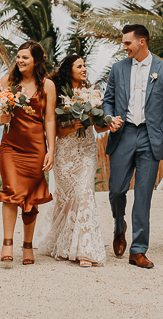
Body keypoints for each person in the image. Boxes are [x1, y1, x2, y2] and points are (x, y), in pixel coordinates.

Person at [103, 24, 163, 269]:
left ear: (142, 42)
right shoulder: (117, 69)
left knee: (143, 195)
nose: (124, 47)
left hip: (151, 137)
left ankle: (138, 250)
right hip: (123, 134)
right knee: (116, 190)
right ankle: (119, 226)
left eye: (128, 43)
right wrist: (109, 118)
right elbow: (107, 101)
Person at [36, 54, 108, 267]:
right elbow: (54, 129)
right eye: (79, 66)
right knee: (66, 198)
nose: (84, 69)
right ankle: (62, 241)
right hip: (65, 152)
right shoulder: (57, 95)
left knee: (84, 193)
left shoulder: (93, 93)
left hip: (86, 150)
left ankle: (85, 250)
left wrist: (110, 123)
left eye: (85, 65)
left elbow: (97, 126)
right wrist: (71, 126)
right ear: (69, 69)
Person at [0, 41, 56, 265]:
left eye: (25, 58)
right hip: (10, 146)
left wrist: (51, 150)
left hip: (36, 147)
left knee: (31, 197)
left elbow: (49, 118)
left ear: (36, 61)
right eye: (18, 57)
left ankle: (28, 245)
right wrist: (2, 115)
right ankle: (7, 242)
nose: (20, 61)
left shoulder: (47, 85)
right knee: (10, 190)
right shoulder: (7, 82)